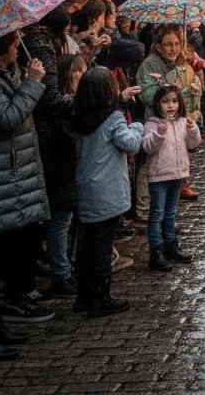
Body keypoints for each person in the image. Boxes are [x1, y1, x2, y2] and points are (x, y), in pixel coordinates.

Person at [0, 32, 49, 361]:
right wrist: (32, 82)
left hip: (4, 180)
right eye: (14, 41)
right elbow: (6, 117)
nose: (19, 44)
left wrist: (23, 75)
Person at [71, 67, 143, 316]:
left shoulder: (79, 116)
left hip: (86, 185)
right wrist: (138, 127)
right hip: (108, 188)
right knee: (103, 246)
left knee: (87, 244)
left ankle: (84, 296)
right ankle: (101, 298)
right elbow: (131, 144)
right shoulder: (112, 117)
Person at [141, 84, 202, 271]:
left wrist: (193, 129)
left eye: (174, 101)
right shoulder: (151, 124)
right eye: (166, 102)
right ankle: (156, 250)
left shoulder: (182, 121)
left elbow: (193, 144)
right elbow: (148, 147)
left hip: (178, 174)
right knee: (157, 213)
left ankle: (171, 244)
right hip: (159, 176)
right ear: (158, 104)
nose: (171, 106)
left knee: (170, 213)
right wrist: (159, 133)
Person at [41, 53, 84, 297]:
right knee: (60, 222)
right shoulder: (62, 105)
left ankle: (66, 268)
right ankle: (61, 274)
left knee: (67, 222)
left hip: (67, 170)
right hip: (60, 170)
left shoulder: (69, 102)